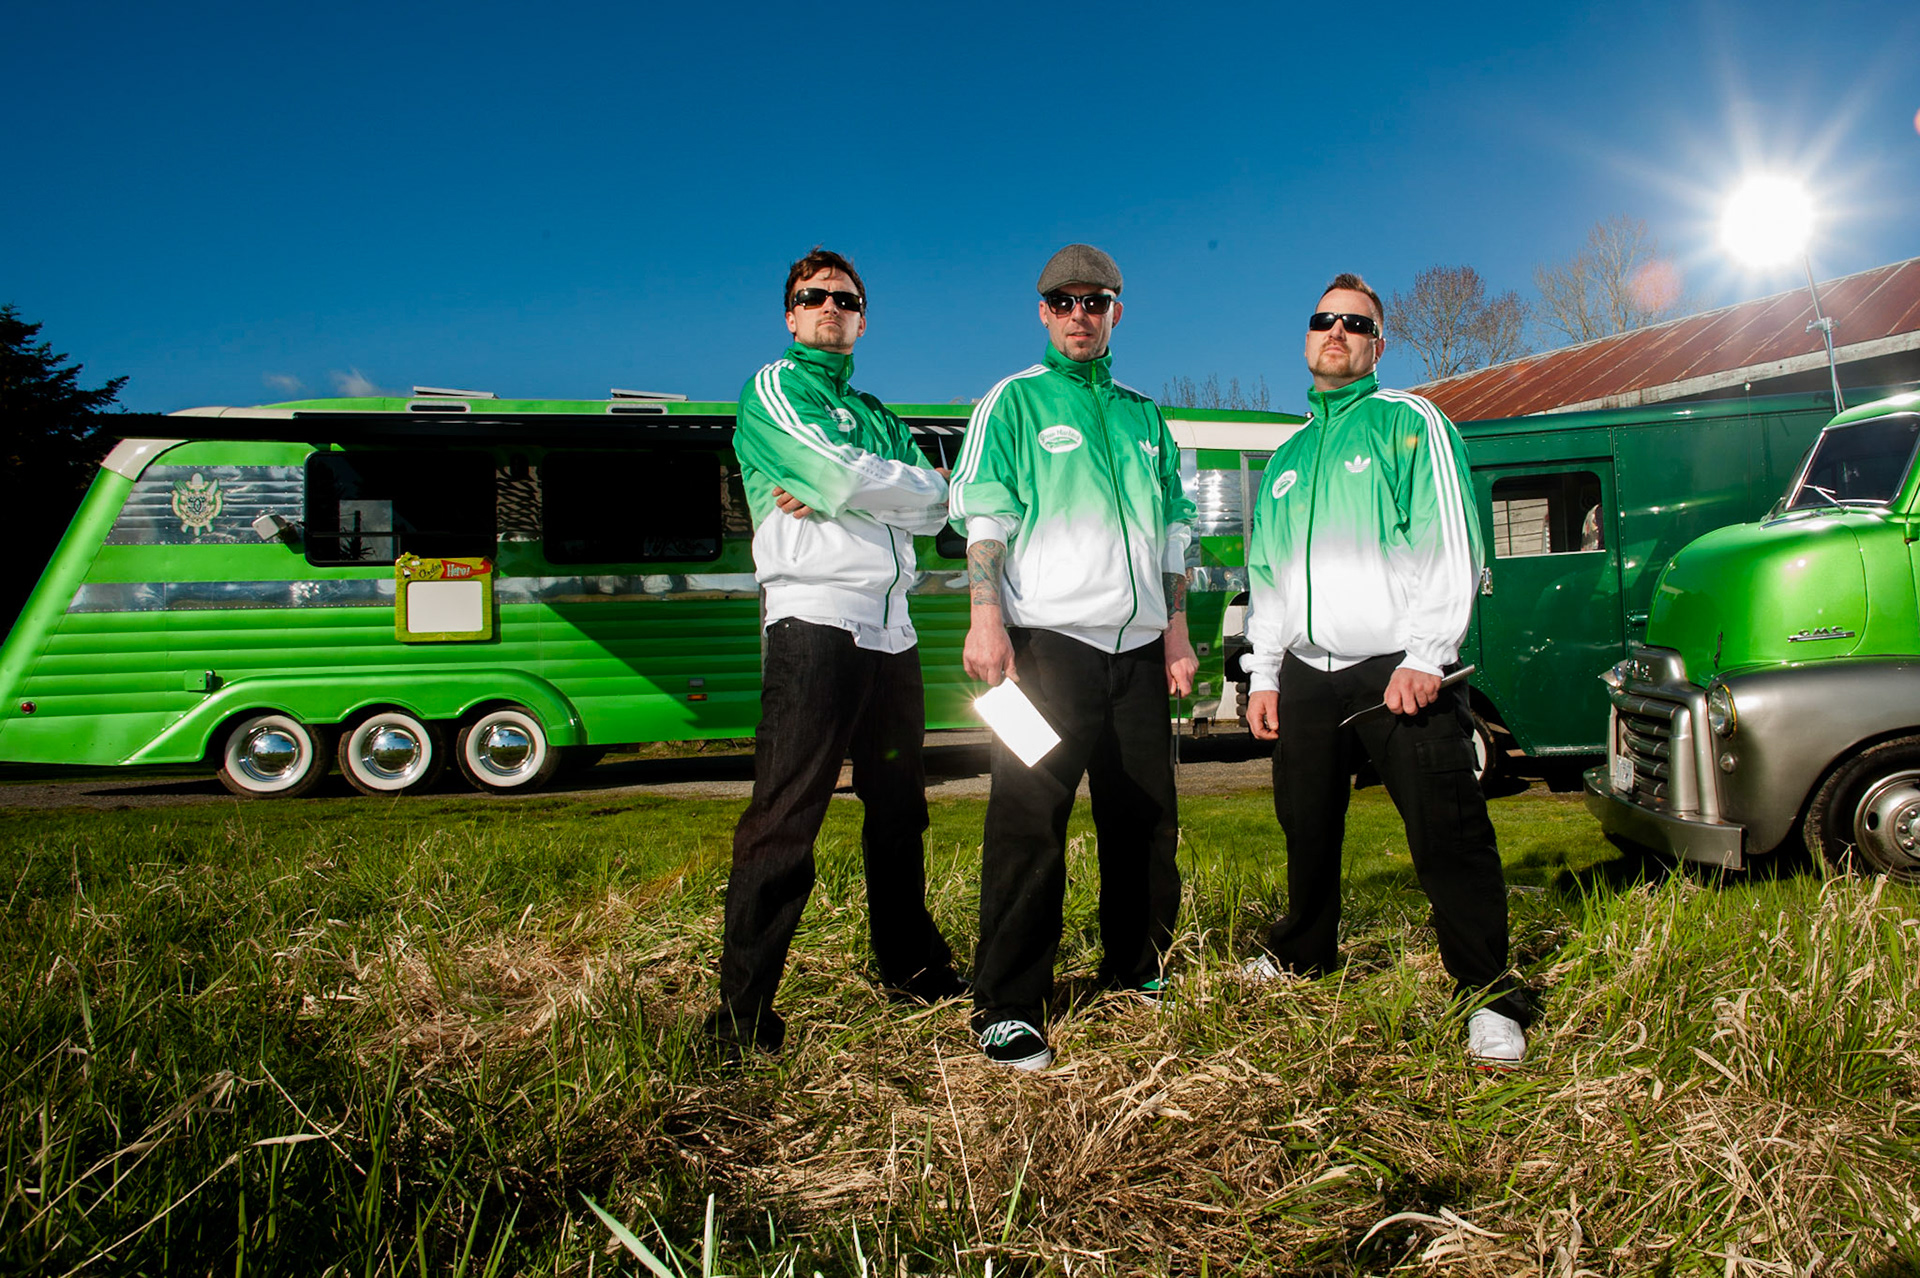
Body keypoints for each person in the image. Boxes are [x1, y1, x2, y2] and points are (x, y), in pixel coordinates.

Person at [1241, 272, 1535, 1065]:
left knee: (1447, 832)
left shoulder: (1411, 422)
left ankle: (1487, 993)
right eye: (1323, 320)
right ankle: (1305, 950)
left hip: (1396, 669)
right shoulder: (1288, 458)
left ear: (1377, 345)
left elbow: (1453, 542)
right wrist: (1264, 672)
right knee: (1305, 825)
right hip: (1306, 672)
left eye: (1355, 324)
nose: (1336, 332)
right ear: (1307, 337)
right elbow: (1266, 576)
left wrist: (1425, 655)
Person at [705, 247, 965, 1054]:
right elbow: (846, 478)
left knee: (901, 813)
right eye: (813, 298)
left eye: (845, 300)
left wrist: (856, 482)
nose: (830, 309)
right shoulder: (774, 388)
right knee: (786, 818)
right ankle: (741, 1017)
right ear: (790, 315)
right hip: (815, 623)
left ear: (862, 318)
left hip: (895, 632)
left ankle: (910, 970)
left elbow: (937, 501)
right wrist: (857, 482)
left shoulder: (881, 414)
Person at [948, 243, 1197, 1070]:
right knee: (1028, 820)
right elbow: (984, 518)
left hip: (1135, 656)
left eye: (1095, 302)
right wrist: (988, 624)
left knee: (1144, 817)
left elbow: (1173, 533)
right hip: (1044, 652)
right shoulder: (1012, 402)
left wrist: (1177, 632)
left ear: (1116, 311)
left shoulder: (1143, 413)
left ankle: (1137, 967)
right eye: (1064, 302)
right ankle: (1009, 1004)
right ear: (1043, 313)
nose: (1079, 315)